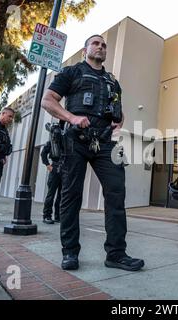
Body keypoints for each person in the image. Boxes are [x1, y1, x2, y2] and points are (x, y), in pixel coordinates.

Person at [41, 34, 144, 271]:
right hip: (76, 140)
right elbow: (48, 101)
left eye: (104, 45)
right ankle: (70, 252)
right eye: (95, 43)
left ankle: (116, 254)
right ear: (85, 49)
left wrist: (119, 122)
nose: (100, 47)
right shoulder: (71, 72)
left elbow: (118, 111)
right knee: (71, 196)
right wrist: (72, 118)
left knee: (116, 194)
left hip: (105, 143)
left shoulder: (112, 81)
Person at [41, 140, 61, 224]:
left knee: (62, 195)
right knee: (51, 194)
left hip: (65, 170)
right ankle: (47, 216)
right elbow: (43, 153)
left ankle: (58, 216)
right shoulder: (52, 141)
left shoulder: (67, 139)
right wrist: (48, 165)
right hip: (55, 168)